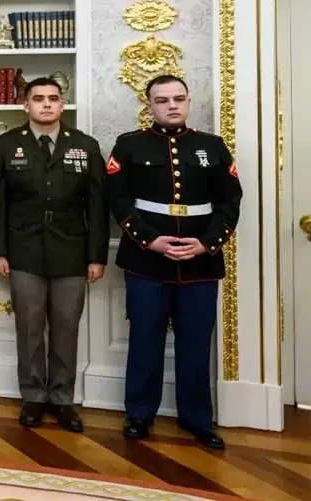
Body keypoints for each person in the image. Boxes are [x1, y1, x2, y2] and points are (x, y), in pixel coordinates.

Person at [109, 75, 242, 449]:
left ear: (188, 101)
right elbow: (117, 199)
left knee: (195, 344)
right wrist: (150, 240)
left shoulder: (212, 147)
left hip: (200, 263)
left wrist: (206, 244)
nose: (172, 105)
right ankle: (139, 414)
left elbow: (230, 201)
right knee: (145, 340)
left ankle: (196, 418)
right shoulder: (129, 145)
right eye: (162, 100)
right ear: (149, 104)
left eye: (179, 99)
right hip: (146, 262)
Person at [0, 77, 107, 432]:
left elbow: (97, 206)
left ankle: (62, 398)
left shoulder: (85, 146)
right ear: (26, 105)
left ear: (62, 104)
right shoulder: (6, 145)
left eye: (53, 98)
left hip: (72, 251)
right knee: (29, 327)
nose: (46, 104)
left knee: (66, 327)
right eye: (38, 99)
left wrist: (96, 256)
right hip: (23, 250)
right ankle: (34, 397)